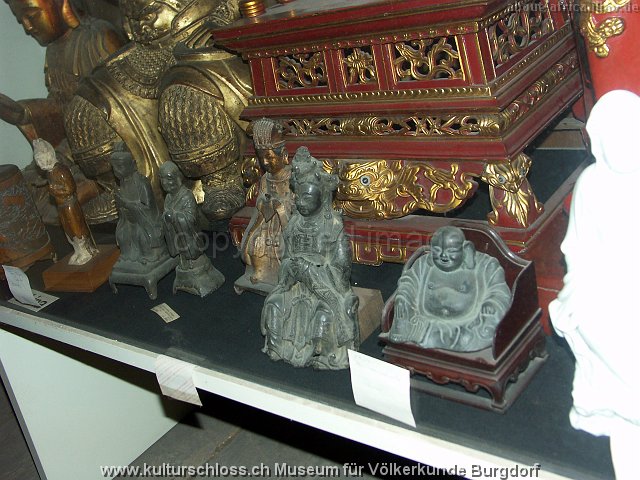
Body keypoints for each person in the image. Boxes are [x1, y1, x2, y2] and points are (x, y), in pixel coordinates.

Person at [549, 90, 640, 480]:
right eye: (612, 139)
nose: (623, 146)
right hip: (605, 288)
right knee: (581, 318)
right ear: (598, 144)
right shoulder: (591, 185)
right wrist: (575, 291)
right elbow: (577, 252)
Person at [1, 0, 122, 223]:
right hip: (72, 148)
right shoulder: (53, 52)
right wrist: (19, 112)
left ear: (61, 4)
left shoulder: (100, 37)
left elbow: (127, 108)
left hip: (107, 148)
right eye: (20, 20)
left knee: (63, 199)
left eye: (32, 15)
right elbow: (58, 107)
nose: (27, 27)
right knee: (24, 189)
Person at [261, 147, 359, 370]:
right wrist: (291, 268)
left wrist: (312, 270)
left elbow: (342, 270)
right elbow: (286, 258)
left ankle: (323, 355)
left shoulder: (333, 227)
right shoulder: (294, 225)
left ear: (321, 196)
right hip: (295, 288)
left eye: (307, 197)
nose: (300, 202)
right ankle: (277, 347)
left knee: (324, 315)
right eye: (297, 197)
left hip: (324, 289)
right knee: (274, 305)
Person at [385, 225, 511, 352]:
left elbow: (499, 290)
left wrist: (492, 303)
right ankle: (428, 336)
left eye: (451, 251)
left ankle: (434, 338)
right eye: (437, 250)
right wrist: (403, 297)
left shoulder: (485, 266)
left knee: (467, 338)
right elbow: (409, 281)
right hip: (424, 322)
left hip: (467, 326)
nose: (444, 255)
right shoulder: (423, 265)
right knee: (404, 326)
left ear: (466, 249)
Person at [237, 118, 293, 290]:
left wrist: (281, 207)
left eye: (269, 157)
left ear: (284, 155)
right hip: (266, 222)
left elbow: (297, 205)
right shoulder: (264, 179)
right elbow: (260, 200)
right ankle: (260, 273)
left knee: (284, 247)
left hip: (285, 224)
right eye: (262, 158)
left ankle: (284, 277)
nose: (265, 163)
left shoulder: (293, 178)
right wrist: (265, 202)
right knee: (255, 242)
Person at [160, 161, 224, 296]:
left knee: (188, 245)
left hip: (190, 236)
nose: (165, 183)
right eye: (162, 180)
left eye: (169, 179)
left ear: (177, 178)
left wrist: (175, 216)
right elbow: (166, 216)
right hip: (176, 235)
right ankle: (184, 264)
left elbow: (190, 218)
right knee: (181, 250)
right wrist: (167, 218)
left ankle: (193, 265)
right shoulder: (168, 198)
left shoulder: (187, 195)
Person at [33, 138, 97, 265]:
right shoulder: (50, 173)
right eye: (38, 161)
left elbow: (70, 188)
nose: (40, 164)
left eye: (41, 159)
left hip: (69, 205)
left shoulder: (60, 170)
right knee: (68, 230)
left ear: (49, 155)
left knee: (76, 228)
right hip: (61, 206)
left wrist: (54, 189)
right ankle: (77, 250)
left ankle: (85, 251)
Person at [110, 143, 166, 265]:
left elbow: (148, 209)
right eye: (114, 168)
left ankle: (152, 255)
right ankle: (129, 257)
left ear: (132, 165)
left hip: (146, 223)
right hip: (130, 221)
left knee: (141, 236)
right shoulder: (122, 184)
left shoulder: (142, 183)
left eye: (120, 166)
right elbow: (122, 209)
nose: (117, 171)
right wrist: (121, 206)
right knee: (123, 235)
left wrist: (126, 204)